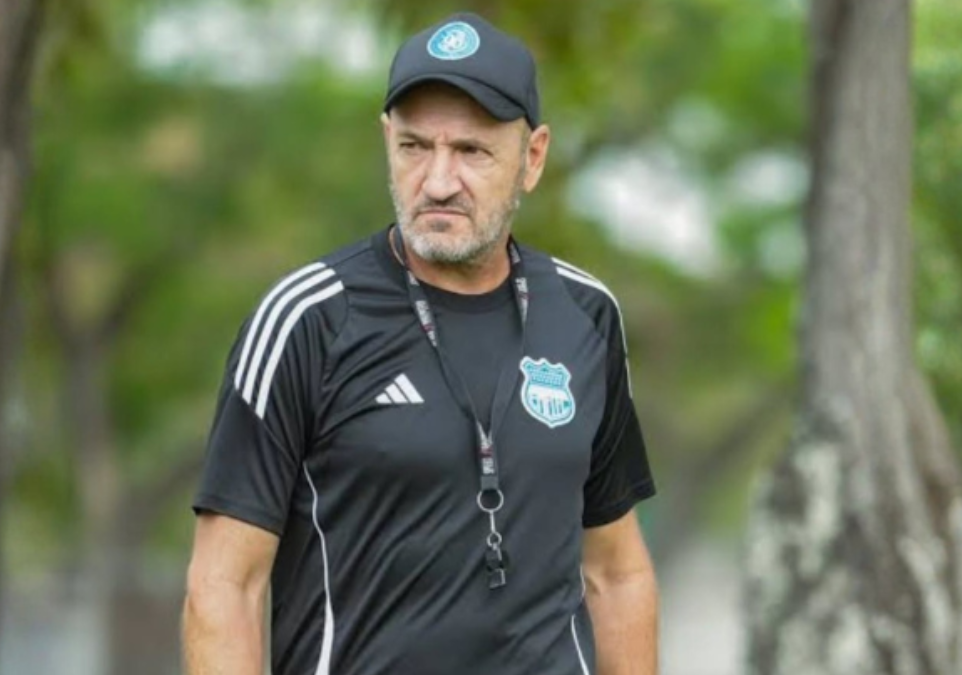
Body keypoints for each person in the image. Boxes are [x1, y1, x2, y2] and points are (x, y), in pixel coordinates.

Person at [182, 12, 658, 675]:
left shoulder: (587, 315)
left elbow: (616, 573)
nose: (437, 182)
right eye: (414, 147)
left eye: (471, 151)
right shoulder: (305, 320)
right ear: (387, 140)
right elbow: (224, 587)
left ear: (533, 157)